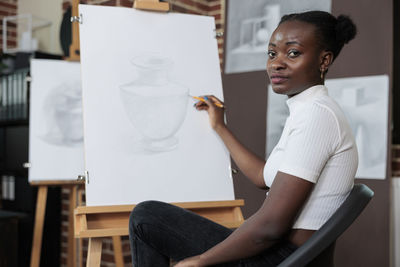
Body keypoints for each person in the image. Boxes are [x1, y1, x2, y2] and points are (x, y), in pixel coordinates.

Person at [129, 10, 358, 267]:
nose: (276, 63)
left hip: (282, 259)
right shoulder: (307, 111)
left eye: (292, 53)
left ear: (324, 60)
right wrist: (219, 126)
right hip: (279, 252)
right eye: (272, 53)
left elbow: (271, 226)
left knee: (146, 217)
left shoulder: (318, 115)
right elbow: (263, 176)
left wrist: (201, 260)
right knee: (149, 217)